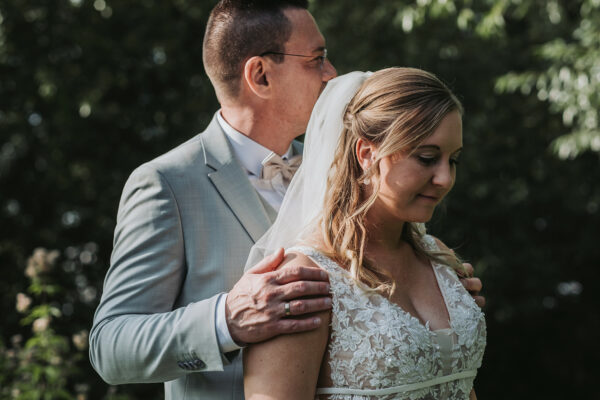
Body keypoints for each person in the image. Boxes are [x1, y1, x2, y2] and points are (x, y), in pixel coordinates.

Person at [89, 0, 484, 398]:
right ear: (260, 75)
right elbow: (109, 347)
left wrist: (440, 301)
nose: (332, 73)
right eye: (317, 59)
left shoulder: (344, 173)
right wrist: (226, 320)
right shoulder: (167, 184)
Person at [243, 69, 487, 399]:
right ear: (367, 154)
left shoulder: (438, 257)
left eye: (453, 160)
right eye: (427, 158)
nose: (445, 178)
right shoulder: (304, 280)